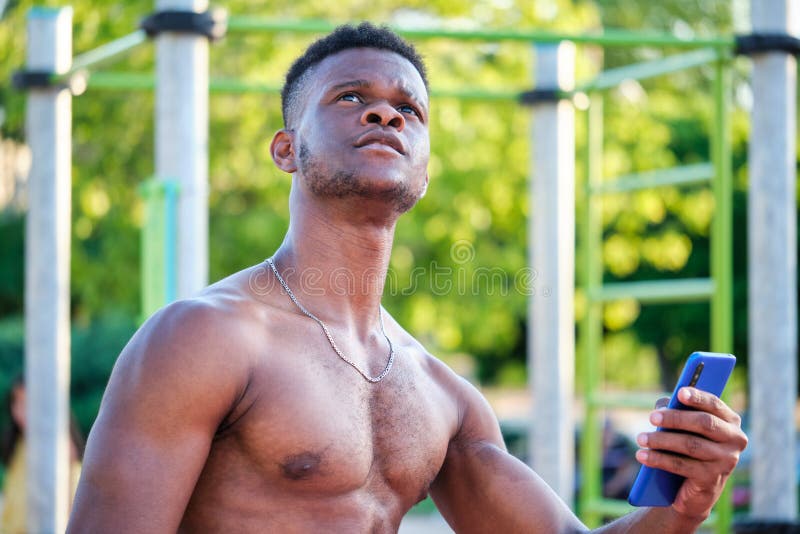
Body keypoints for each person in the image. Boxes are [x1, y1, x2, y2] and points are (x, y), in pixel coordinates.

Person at [67, 23, 747, 533]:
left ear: (424, 170)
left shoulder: (441, 394)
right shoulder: (202, 339)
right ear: (286, 149)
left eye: (409, 109)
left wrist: (684, 506)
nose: (385, 112)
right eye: (350, 97)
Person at [1, 377, 84, 532]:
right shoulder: (17, 444)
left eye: (28, 403)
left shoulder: (61, 447)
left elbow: (71, 504)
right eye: (17, 402)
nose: (20, 410)